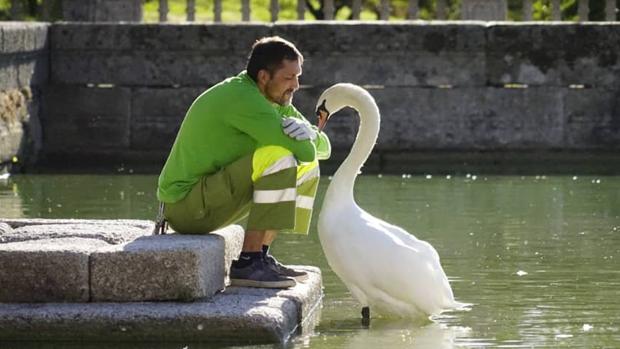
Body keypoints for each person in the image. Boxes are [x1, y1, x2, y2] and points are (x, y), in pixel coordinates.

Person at [156, 36, 331, 289]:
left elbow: (322, 149)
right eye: (289, 77)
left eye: (298, 76)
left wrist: (311, 133)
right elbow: (304, 150)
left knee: (306, 167)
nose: (296, 85)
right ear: (263, 77)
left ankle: (260, 255)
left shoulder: (275, 99)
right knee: (279, 156)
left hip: (210, 201)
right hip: (185, 207)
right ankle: (248, 263)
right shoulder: (243, 98)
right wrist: (308, 137)